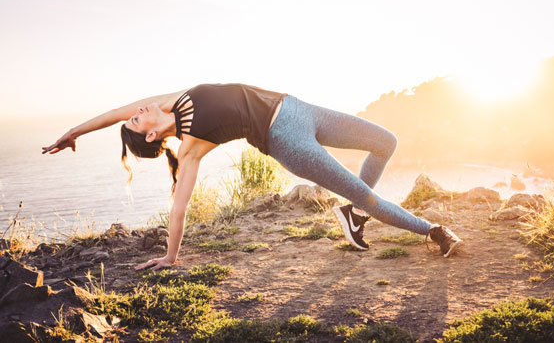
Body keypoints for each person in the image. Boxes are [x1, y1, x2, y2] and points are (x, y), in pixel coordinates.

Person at [42, 83, 462, 270]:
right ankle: (434, 232)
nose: (137, 111)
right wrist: (171, 256)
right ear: (151, 134)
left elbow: (113, 112)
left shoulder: (170, 100)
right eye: (137, 121)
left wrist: (73, 132)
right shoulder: (190, 148)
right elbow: (180, 208)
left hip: (298, 108)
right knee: (368, 196)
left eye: (136, 114)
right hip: (287, 142)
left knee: (384, 141)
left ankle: (351, 215)